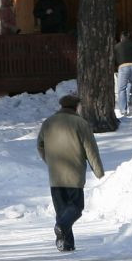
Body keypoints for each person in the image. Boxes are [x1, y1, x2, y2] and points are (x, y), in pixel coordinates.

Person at [37, 94, 105, 252]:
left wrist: (50, 160)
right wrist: (99, 171)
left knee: (62, 210)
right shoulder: (80, 123)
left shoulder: (48, 122)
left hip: (55, 175)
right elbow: (91, 149)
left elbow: (40, 145)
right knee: (76, 208)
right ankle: (61, 227)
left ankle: (66, 244)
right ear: (76, 107)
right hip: (74, 173)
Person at [114, 32, 132, 117]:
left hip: (124, 66)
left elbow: (116, 58)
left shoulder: (117, 46)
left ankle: (123, 110)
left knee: (121, 89)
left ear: (121, 37)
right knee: (130, 82)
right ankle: (129, 101)